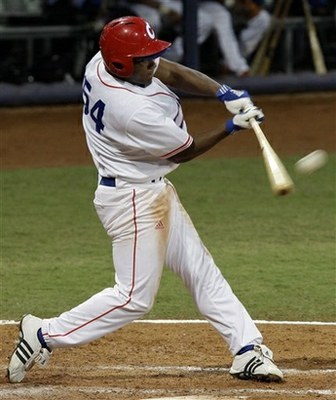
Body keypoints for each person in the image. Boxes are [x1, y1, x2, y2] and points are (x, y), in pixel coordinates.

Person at [7, 16, 283, 384]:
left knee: (200, 270)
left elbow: (168, 71)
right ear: (122, 63)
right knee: (134, 296)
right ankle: (43, 333)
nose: (153, 63)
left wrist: (223, 92)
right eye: (144, 58)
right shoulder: (132, 111)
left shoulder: (99, 62)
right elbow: (185, 151)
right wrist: (231, 127)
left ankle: (246, 348)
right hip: (132, 198)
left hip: (150, 189)